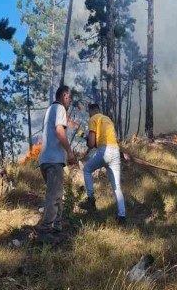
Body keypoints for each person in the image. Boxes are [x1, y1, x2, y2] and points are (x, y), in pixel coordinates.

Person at [36, 85, 77, 244]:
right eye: (69, 96)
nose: (71, 99)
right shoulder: (59, 108)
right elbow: (60, 131)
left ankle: (56, 228)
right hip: (53, 161)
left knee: (58, 194)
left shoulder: (50, 110)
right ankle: (45, 231)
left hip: (47, 160)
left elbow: (61, 128)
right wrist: (70, 151)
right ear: (64, 95)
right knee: (54, 196)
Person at [79, 103, 126, 223]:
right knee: (117, 187)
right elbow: (100, 141)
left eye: (89, 113)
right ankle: (122, 216)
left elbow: (91, 144)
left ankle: (91, 200)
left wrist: (84, 137)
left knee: (86, 170)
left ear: (92, 111)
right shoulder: (107, 119)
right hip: (115, 151)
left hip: (105, 151)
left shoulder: (93, 119)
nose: (89, 115)